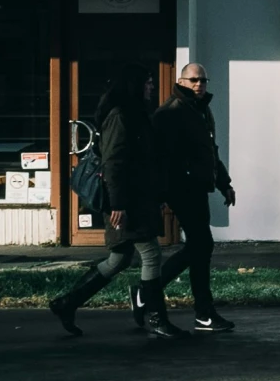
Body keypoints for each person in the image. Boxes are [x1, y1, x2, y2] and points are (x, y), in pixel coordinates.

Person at [48, 63, 191, 342]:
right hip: (128, 203)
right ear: (134, 84)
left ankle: (66, 303)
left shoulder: (136, 114)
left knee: (119, 259)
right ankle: (156, 318)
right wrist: (118, 205)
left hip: (138, 199)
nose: (151, 86)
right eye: (148, 81)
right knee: (150, 255)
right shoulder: (120, 116)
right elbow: (114, 163)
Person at [148, 62, 236, 334]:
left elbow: (211, 152)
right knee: (202, 245)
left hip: (198, 187)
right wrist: (160, 193)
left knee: (200, 248)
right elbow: (160, 158)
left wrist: (225, 184)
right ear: (182, 81)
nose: (199, 84)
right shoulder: (170, 112)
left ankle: (149, 291)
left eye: (203, 80)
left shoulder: (201, 110)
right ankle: (202, 312)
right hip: (181, 188)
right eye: (194, 80)